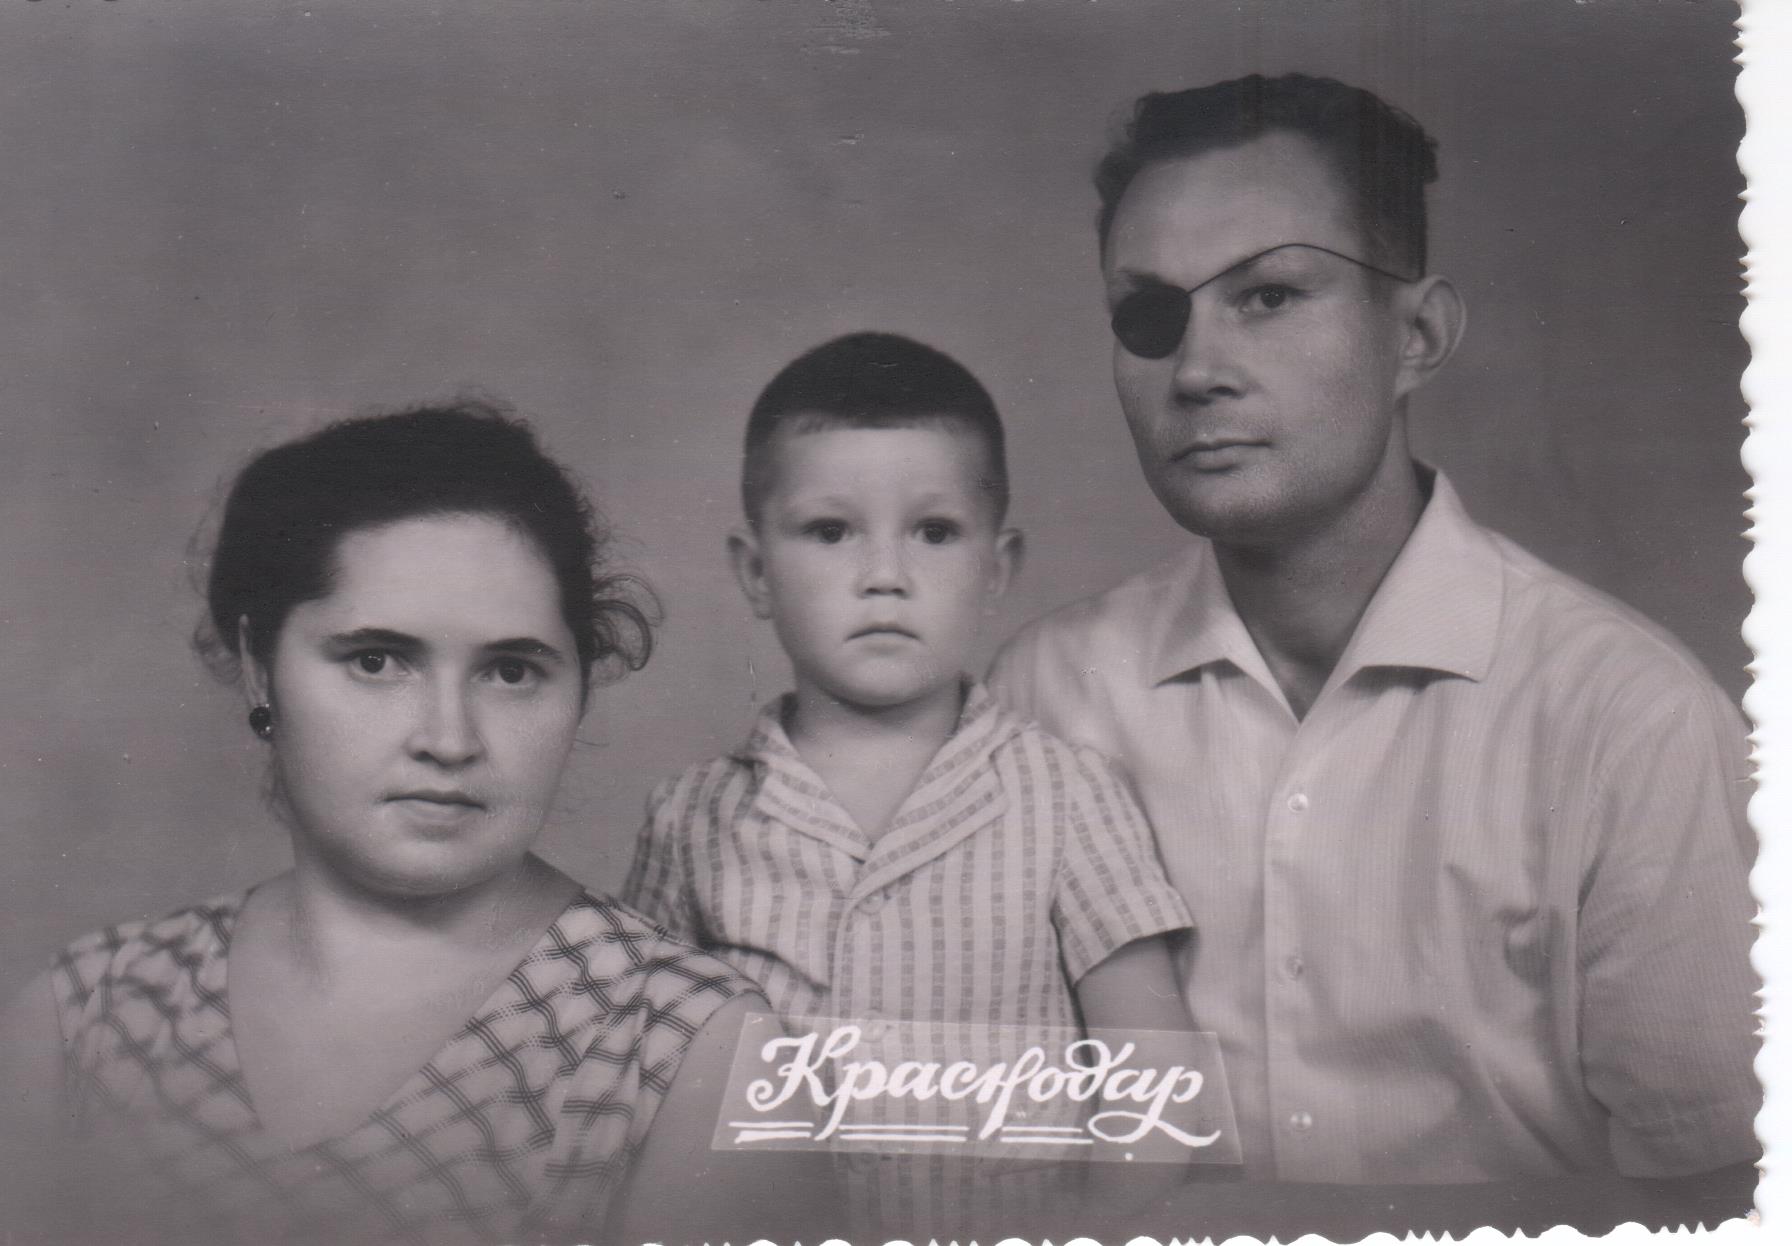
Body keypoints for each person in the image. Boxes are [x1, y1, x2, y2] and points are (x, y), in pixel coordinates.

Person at [990, 74, 1760, 1236]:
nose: (1194, 369)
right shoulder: (1040, 695)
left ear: (1417, 336)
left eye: (1267, 294)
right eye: (1148, 315)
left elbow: (1726, 1203)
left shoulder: (1627, 718)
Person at [0, 401, 807, 1246]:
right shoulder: (84, 1017)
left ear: (580, 688)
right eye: (377, 661)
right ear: (259, 668)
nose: (448, 740)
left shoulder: (694, 1050)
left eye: (510, 672)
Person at [622, 332, 1202, 1236]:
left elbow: (1155, 1080)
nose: (884, 578)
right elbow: (639, 1078)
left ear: (997, 568)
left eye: (934, 533)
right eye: (830, 531)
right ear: (756, 572)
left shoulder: (1067, 797)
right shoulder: (691, 820)